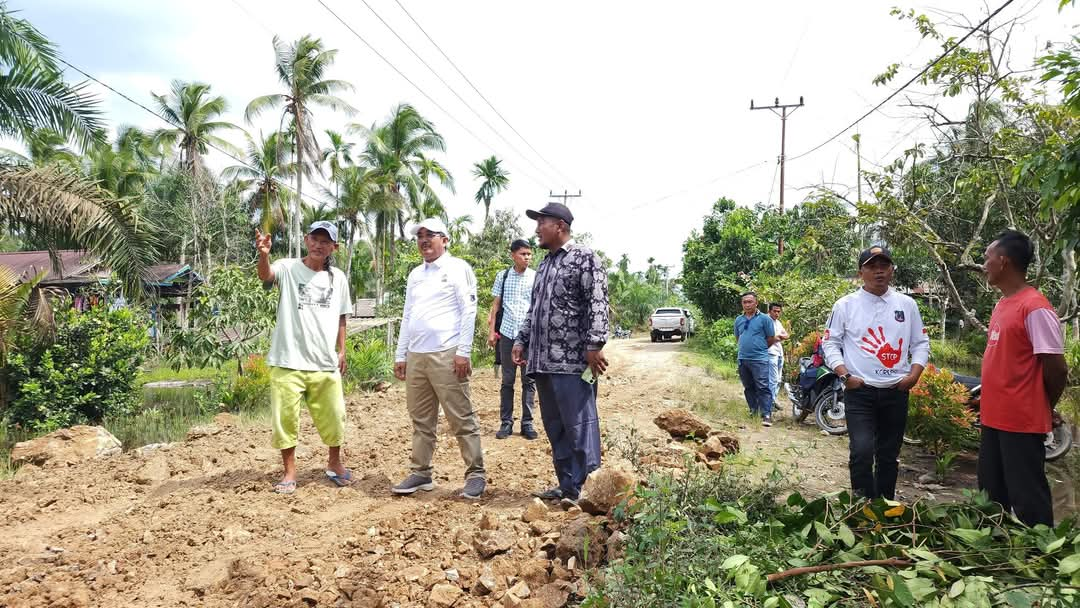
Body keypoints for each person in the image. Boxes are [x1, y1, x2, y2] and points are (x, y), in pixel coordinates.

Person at [511, 203, 608, 508]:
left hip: (572, 362)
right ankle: (568, 487)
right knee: (556, 428)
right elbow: (534, 309)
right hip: (541, 362)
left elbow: (598, 302)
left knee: (580, 426)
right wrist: (521, 339)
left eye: (543, 222)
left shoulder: (584, 258)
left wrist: (595, 344)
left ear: (561, 226)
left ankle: (589, 490)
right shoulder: (545, 265)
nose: (537, 228)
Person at [822, 245, 929, 500]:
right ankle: (860, 505)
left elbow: (921, 343)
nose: (879, 271)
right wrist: (845, 375)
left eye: (884, 265)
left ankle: (885, 506)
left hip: (896, 391)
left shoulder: (907, 304)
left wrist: (913, 376)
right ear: (861, 273)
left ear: (892, 270)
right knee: (861, 451)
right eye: (871, 266)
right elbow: (830, 342)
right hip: (860, 391)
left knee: (889, 455)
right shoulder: (845, 305)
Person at [391, 218, 486, 500]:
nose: (424, 240)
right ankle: (421, 473)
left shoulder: (459, 268)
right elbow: (408, 315)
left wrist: (463, 351)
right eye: (419, 236)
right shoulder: (415, 275)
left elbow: (468, 311)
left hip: (447, 353)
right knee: (421, 419)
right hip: (417, 355)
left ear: (444, 239)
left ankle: (476, 474)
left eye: (429, 235)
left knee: (461, 417)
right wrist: (401, 354)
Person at [978, 230, 1067, 526]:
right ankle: (995, 551)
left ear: (1003, 262)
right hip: (994, 417)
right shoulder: (1003, 304)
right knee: (990, 493)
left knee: (1028, 496)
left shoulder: (1035, 307)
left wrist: (1044, 405)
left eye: (987, 258)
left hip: (1021, 420)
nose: (984, 264)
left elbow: (1056, 367)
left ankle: (1040, 557)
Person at [256, 221, 352, 495]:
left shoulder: (338, 279)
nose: (319, 245)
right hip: (288, 360)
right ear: (306, 240)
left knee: (335, 416)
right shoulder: (288, 268)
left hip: (324, 361)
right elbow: (266, 276)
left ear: (334, 247)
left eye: (326, 241)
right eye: (315, 239)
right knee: (285, 419)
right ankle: (289, 471)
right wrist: (264, 255)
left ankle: (335, 463)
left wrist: (342, 349)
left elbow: (342, 316)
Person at [487, 239, 538, 440]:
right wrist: (492, 332)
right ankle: (506, 423)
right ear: (513, 255)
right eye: (523, 254)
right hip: (507, 334)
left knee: (529, 380)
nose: (527, 257)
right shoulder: (503, 276)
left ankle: (527, 423)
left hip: (528, 337)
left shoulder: (535, 277)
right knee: (507, 381)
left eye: (529, 254)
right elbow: (496, 306)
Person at [734, 292, 778, 426]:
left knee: (763, 387)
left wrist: (760, 349)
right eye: (744, 302)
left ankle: (766, 414)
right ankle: (754, 411)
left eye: (750, 302)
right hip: (743, 359)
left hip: (760, 359)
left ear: (756, 303)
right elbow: (738, 337)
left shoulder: (765, 319)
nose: (747, 304)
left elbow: (770, 338)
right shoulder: (738, 320)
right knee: (748, 387)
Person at [767, 303, 790, 405]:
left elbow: (786, 335)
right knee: (773, 379)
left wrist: (778, 336)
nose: (777, 313)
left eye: (778, 311)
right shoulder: (766, 321)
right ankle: (769, 402)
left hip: (779, 352)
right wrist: (779, 337)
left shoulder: (778, 322)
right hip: (770, 352)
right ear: (769, 311)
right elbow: (769, 338)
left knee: (778, 379)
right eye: (774, 311)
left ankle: (773, 399)